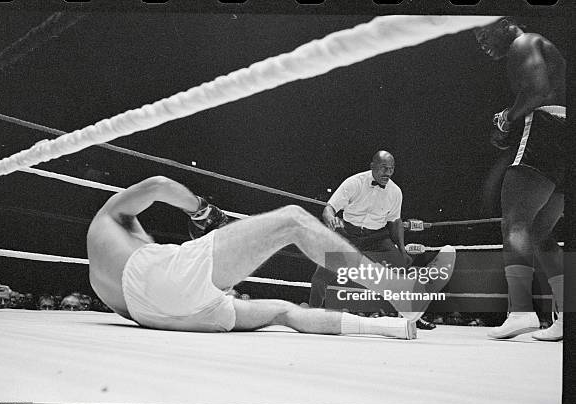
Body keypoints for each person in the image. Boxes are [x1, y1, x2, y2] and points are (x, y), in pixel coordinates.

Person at [86, 176, 456, 339]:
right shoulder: (107, 215)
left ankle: (396, 328)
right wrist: (202, 212)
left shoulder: (101, 266)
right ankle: (398, 290)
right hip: (163, 282)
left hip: (158, 315)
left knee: (282, 311)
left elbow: (145, 299)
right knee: (292, 220)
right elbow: (158, 186)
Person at [474, 18, 565, 341]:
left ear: (506, 25)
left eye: (484, 34)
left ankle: (521, 311)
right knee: (541, 231)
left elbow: (538, 92)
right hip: (564, 135)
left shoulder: (523, 43)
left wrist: (507, 119)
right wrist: (512, 115)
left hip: (544, 127)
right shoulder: (543, 47)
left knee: (513, 222)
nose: (482, 44)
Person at [309, 151, 435, 330]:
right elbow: (329, 208)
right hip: (348, 234)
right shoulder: (354, 183)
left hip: (376, 237)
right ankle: (311, 316)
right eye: (384, 168)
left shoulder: (395, 192)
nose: (388, 173)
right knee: (321, 275)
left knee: (402, 269)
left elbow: (395, 222)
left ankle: (414, 318)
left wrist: (401, 250)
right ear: (372, 166)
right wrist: (330, 218)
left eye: (392, 169)